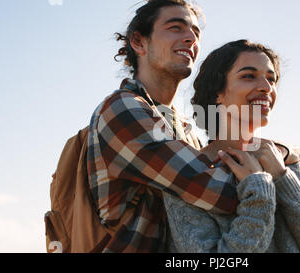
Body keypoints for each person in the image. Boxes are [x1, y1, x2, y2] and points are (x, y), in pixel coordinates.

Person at [86, 0, 247, 253]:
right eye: (176, 28)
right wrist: (280, 174)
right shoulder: (122, 109)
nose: (191, 39)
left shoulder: (185, 130)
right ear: (138, 42)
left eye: (196, 33)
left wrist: (284, 156)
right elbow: (218, 192)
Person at [163, 40, 300, 253]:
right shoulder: (190, 173)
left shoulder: (287, 166)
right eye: (248, 76)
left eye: (271, 79)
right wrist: (259, 192)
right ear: (218, 93)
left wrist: (283, 178)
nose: (267, 88)